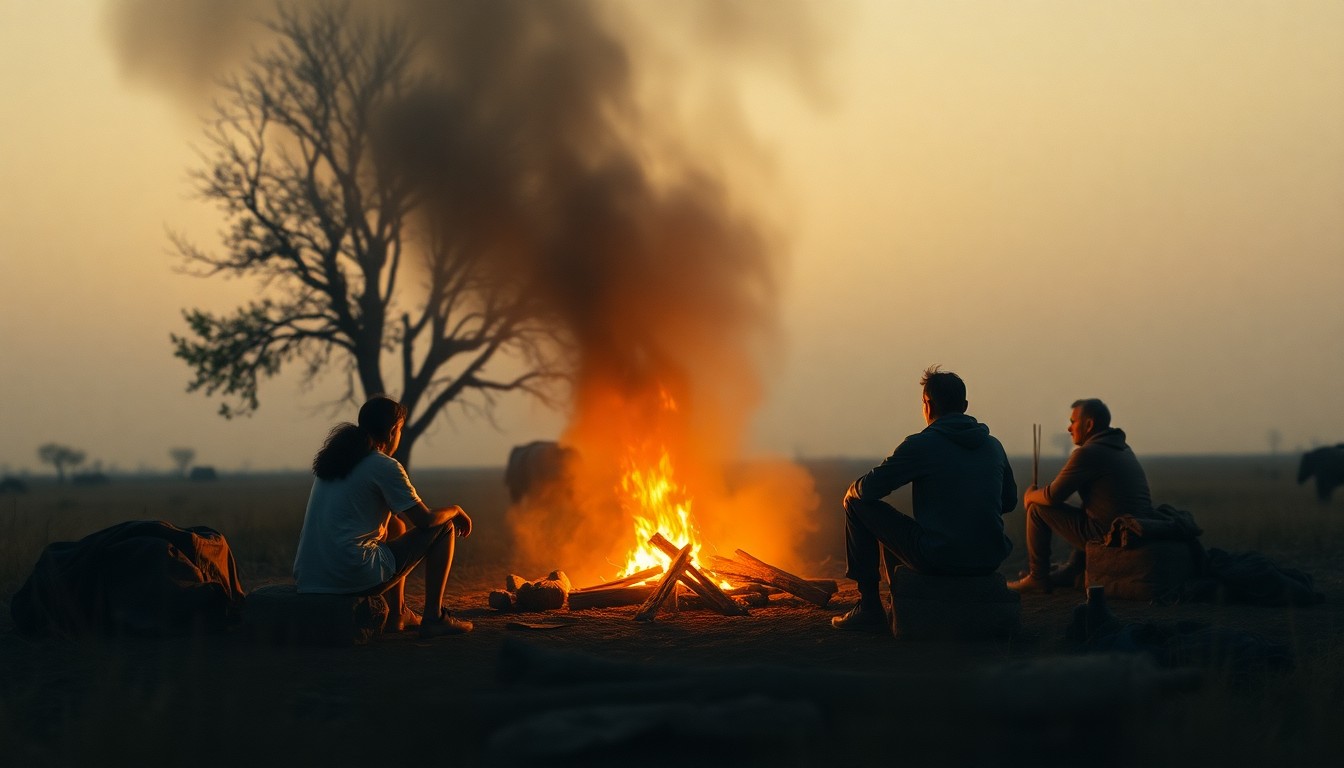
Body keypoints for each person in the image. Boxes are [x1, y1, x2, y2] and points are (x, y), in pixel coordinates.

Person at [832, 366, 1017, 631]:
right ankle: (896, 598)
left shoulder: (922, 445)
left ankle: (870, 608)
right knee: (906, 528)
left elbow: (869, 490)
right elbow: (1008, 502)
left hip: (940, 557)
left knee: (856, 502)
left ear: (927, 405)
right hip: (990, 557)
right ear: (964, 405)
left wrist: (853, 487)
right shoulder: (993, 445)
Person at [293, 395, 474, 637]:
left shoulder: (334, 462)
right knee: (444, 527)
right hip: (351, 573)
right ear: (392, 431)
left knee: (396, 526)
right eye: (400, 430)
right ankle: (435, 617)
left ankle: (397, 613)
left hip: (309, 576)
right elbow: (425, 520)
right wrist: (456, 509)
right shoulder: (383, 465)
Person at [1007, 398, 1154, 594]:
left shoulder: (1088, 453)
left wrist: (1030, 495)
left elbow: (1052, 496)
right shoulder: (1122, 449)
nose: (1069, 428)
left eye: (1073, 422)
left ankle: (1038, 577)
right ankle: (1074, 568)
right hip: (1130, 529)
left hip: (1111, 535)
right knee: (1086, 508)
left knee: (1037, 509)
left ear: (1089, 424)